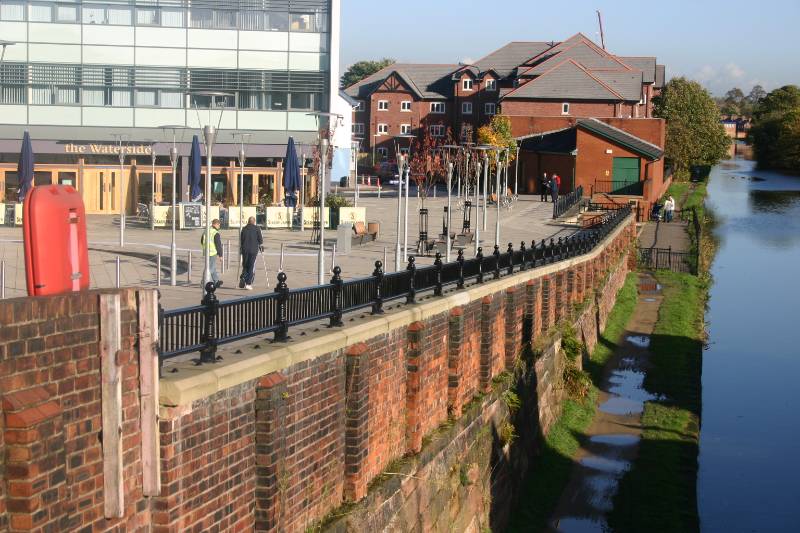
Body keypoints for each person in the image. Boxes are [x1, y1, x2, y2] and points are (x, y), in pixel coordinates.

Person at [239, 216, 263, 290]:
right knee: (251, 266)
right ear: (254, 221)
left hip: (245, 250)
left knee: (245, 264)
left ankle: (243, 277)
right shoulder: (257, 229)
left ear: (248, 221)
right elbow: (260, 240)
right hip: (253, 250)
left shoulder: (244, 229)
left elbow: (241, 240)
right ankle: (248, 283)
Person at [200, 219, 223, 289]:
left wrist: (205, 248)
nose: (219, 226)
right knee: (210, 268)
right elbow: (218, 245)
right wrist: (220, 255)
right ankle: (203, 282)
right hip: (212, 252)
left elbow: (201, 240)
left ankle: (216, 281)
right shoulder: (215, 233)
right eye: (219, 225)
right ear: (216, 224)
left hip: (206, 251)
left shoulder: (206, 231)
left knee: (212, 266)